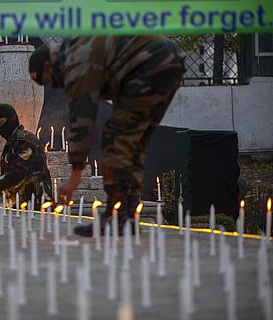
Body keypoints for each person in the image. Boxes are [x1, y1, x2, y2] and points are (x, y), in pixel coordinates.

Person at [29, 36, 185, 236]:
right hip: (166, 63)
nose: (53, 86)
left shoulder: (75, 62)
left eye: (48, 81)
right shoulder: (77, 53)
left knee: (115, 137)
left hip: (151, 63)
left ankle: (117, 217)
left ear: (49, 65)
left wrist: (74, 178)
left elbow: (82, 120)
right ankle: (126, 215)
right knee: (131, 143)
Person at [0, 103, 54, 210]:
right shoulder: (12, 143)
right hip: (21, 207)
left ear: (11, 120)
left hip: (37, 206)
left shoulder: (25, 141)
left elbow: (16, 175)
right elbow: (8, 183)